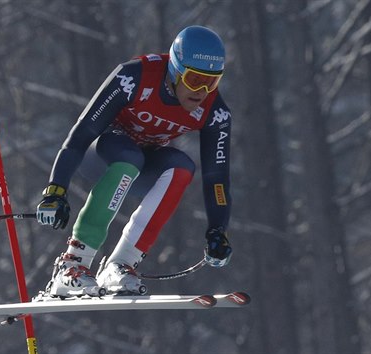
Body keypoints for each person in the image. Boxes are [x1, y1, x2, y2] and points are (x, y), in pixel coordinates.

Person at [36, 25, 233, 297]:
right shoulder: (134, 77)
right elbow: (79, 137)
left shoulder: (215, 112)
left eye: (211, 81)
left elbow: (217, 178)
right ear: (175, 70)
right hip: (102, 153)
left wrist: (218, 230)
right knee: (130, 158)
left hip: (142, 164)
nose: (201, 91)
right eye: (194, 79)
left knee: (182, 168)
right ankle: (73, 264)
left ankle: (121, 265)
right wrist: (56, 189)